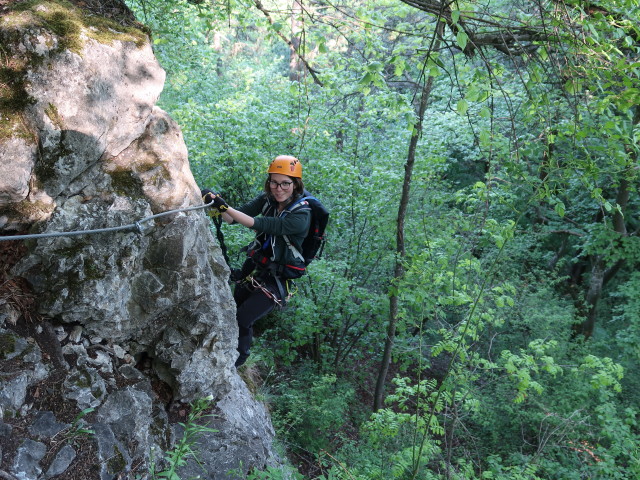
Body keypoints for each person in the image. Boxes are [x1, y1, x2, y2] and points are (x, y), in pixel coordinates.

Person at [202, 155, 311, 367]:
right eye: (274, 182)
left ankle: (239, 359)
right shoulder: (267, 200)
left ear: (295, 184)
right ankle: (227, 349)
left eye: (285, 183)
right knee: (232, 309)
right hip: (256, 268)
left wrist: (225, 207)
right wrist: (216, 203)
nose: (278, 188)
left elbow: (261, 225)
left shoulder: (302, 215)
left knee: (243, 317)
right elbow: (234, 218)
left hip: (279, 280)